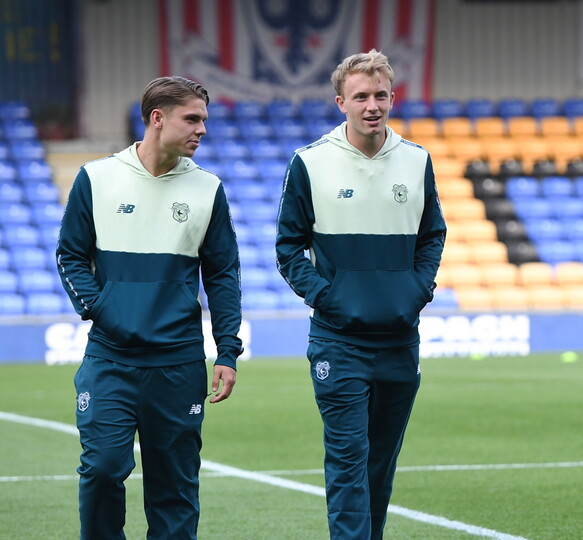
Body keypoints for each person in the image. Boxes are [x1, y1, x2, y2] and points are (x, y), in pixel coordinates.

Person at [56, 76, 243, 539]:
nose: (202, 129)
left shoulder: (208, 189)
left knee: (174, 487)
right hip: (111, 359)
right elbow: (70, 255)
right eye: (192, 119)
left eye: (204, 119)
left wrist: (227, 350)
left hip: (178, 364)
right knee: (102, 468)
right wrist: (104, 309)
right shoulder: (97, 178)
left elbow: (222, 275)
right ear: (157, 118)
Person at [275, 49, 445, 539]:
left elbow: (433, 234)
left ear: (392, 98)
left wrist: (417, 289)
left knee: (380, 465)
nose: (372, 105)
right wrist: (328, 298)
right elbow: (288, 248)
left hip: (399, 340)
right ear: (341, 103)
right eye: (361, 96)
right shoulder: (310, 162)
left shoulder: (416, 160)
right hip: (339, 342)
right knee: (349, 459)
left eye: (381, 95)